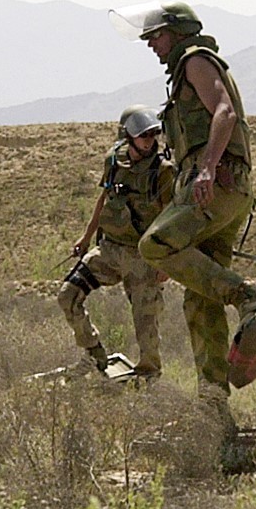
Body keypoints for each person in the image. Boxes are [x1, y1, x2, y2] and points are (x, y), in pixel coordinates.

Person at [109, 2, 256, 413]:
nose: (151, 45)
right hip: (224, 191)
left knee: (152, 246)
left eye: (156, 36)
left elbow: (224, 113)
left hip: (214, 187)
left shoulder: (195, 61)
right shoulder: (189, 65)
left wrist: (207, 169)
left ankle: (247, 295)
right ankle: (213, 404)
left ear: (178, 32)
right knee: (200, 300)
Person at [57, 104, 174, 378]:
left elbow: (172, 218)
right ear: (128, 136)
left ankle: (149, 377)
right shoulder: (113, 160)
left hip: (142, 257)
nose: (150, 140)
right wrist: (86, 238)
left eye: (153, 134)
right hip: (108, 250)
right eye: (144, 135)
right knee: (68, 296)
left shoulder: (163, 170)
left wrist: (165, 261)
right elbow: (104, 198)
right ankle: (95, 354)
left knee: (146, 322)